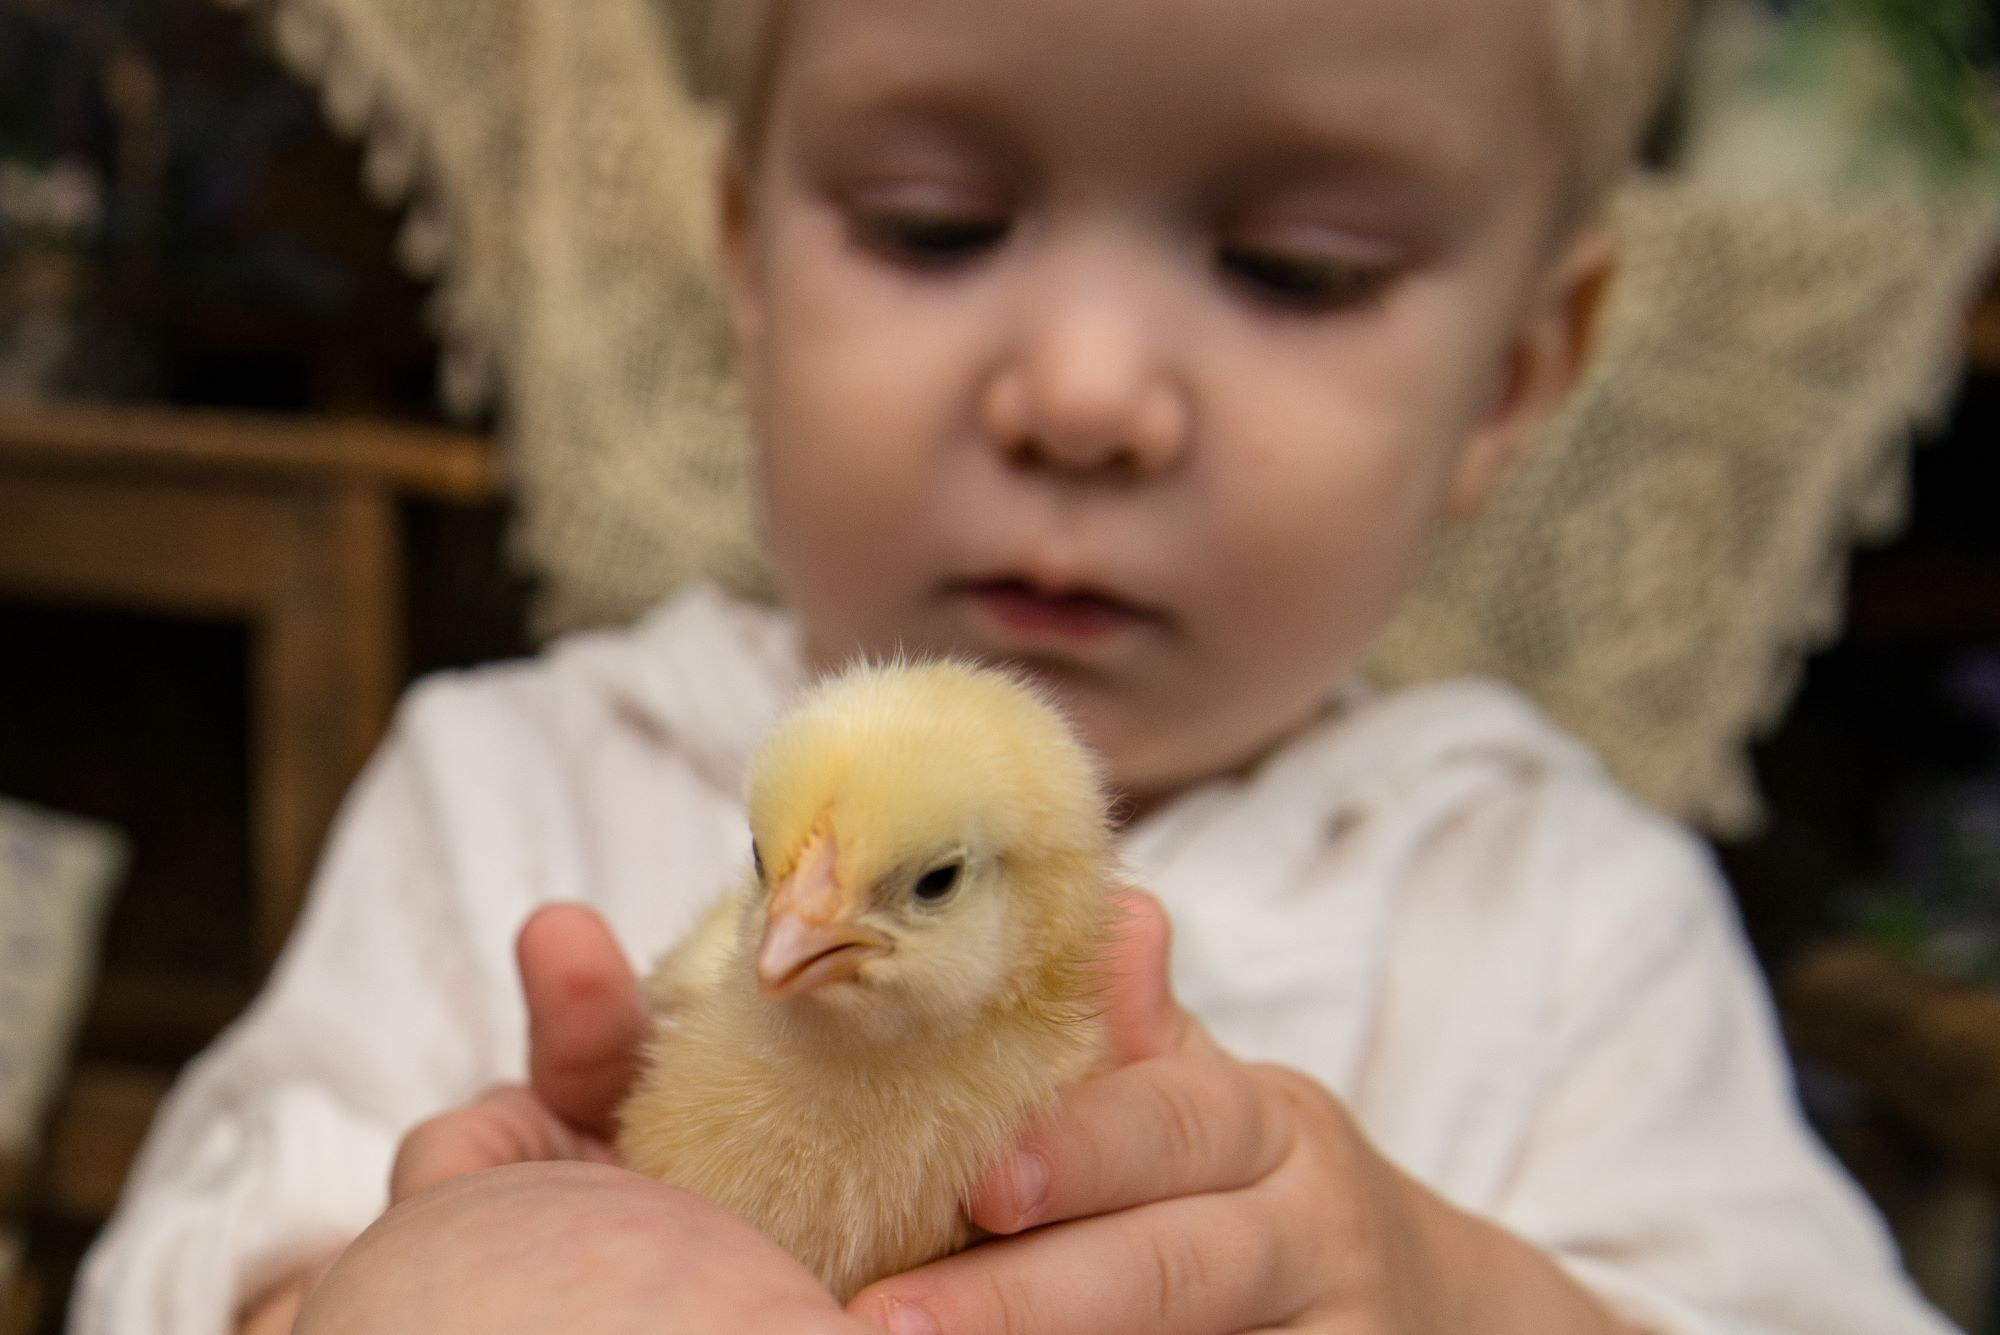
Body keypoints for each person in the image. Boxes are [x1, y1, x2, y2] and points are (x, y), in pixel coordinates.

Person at [75, 0, 1956, 1331]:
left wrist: (1455, 1297)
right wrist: (382, 1298)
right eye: (936, 226)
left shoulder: (1557, 907)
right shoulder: (514, 784)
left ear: (1522, 379)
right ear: (744, 264)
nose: (1080, 397)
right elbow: (181, 1264)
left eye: (1293, 265)